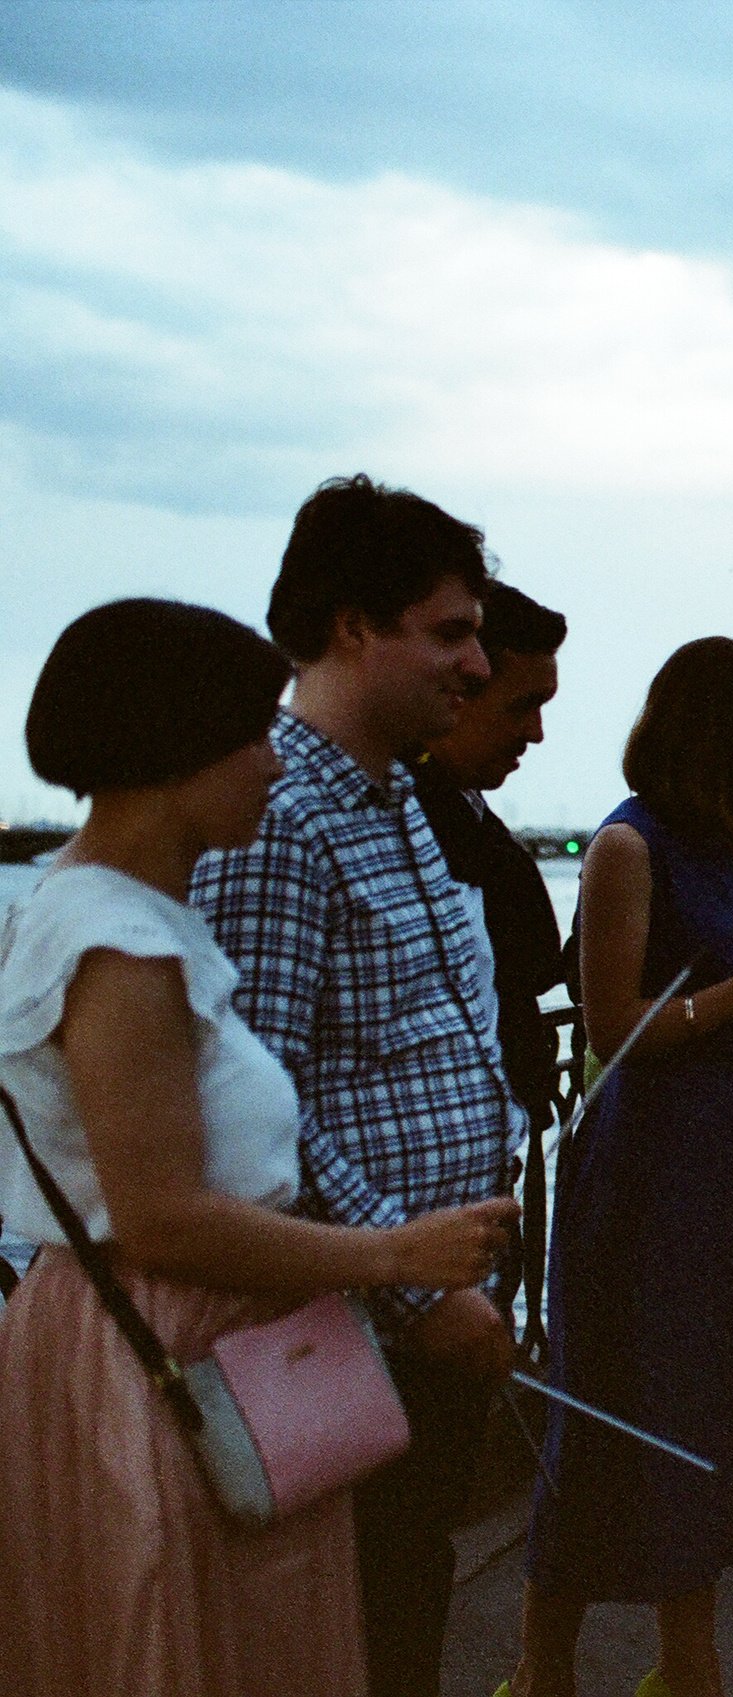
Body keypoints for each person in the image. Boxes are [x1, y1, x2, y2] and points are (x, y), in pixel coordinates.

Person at [0, 600, 515, 1697]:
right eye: (251, 736)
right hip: (162, 1355)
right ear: (172, 750)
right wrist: (396, 1256)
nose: (275, 764)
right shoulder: (117, 940)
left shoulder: (133, 912)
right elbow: (161, 1217)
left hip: (199, 1347)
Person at [189, 474, 522, 1697]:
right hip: (359, 1324)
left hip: (426, 1302)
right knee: (358, 1625)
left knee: (404, 1599)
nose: (477, 664)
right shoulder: (279, 815)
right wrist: (413, 1286)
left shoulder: (392, 796)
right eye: (450, 632)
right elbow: (250, 1097)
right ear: (349, 627)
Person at [509, 639, 733, 1697]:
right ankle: (546, 1669)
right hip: (649, 1161)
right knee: (621, 1407)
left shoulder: (724, 842)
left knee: (705, 1409)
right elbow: (611, 1026)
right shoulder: (628, 845)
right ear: (709, 728)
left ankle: (683, 1664)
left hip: (729, 1147)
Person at [408, 581, 568, 1352]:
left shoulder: (461, 816)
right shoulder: (425, 823)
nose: (536, 732)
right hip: (417, 1243)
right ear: (460, 687)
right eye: (520, 706)